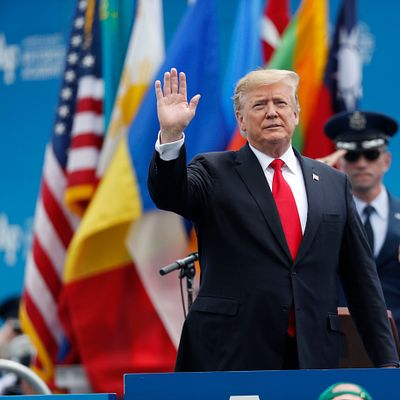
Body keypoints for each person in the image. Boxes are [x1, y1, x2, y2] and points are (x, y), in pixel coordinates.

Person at [148, 67, 399, 371]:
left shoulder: (333, 183)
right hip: (232, 353)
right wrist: (171, 136)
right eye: (259, 105)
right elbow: (169, 195)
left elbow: (362, 281)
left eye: (280, 103)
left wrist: (388, 362)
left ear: (295, 114)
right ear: (241, 121)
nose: (271, 112)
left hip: (313, 355)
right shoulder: (214, 172)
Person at [324, 111, 400, 333]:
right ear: (339, 162)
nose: (361, 164)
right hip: (341, 339)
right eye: (352, 156)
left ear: (386, 161)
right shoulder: (322, 218)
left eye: (371, 154)